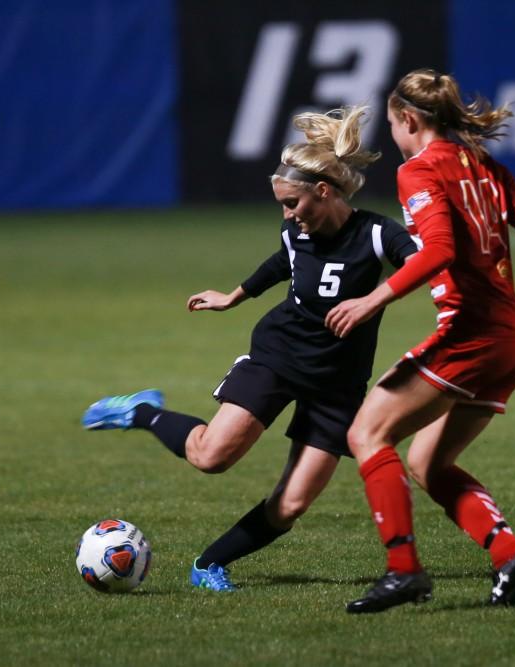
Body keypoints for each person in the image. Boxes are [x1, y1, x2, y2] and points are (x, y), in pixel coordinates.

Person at [81, 106, 418, 591]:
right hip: (279, 356)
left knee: (291, 505)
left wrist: (373, 300)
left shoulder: (377, 234)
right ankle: (143, 413)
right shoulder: (295, 230)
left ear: (324, 191)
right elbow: (284, 261)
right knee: (211, 457)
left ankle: (209, 563)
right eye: (282, 204)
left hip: (338, 382)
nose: (287, 215)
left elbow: (426, 262)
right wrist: (234, 296)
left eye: (293, 203)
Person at [325, 69, 515, 613]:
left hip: (471, 335)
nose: (393, 135)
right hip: (513, 340)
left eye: (392, 124)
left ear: (409, 119)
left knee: (366, 433)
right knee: (428, 463)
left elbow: (439, 250)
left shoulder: (419, 170)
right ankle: (510, 554)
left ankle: (403, 571)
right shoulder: (484, 165)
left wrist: (372, 299)